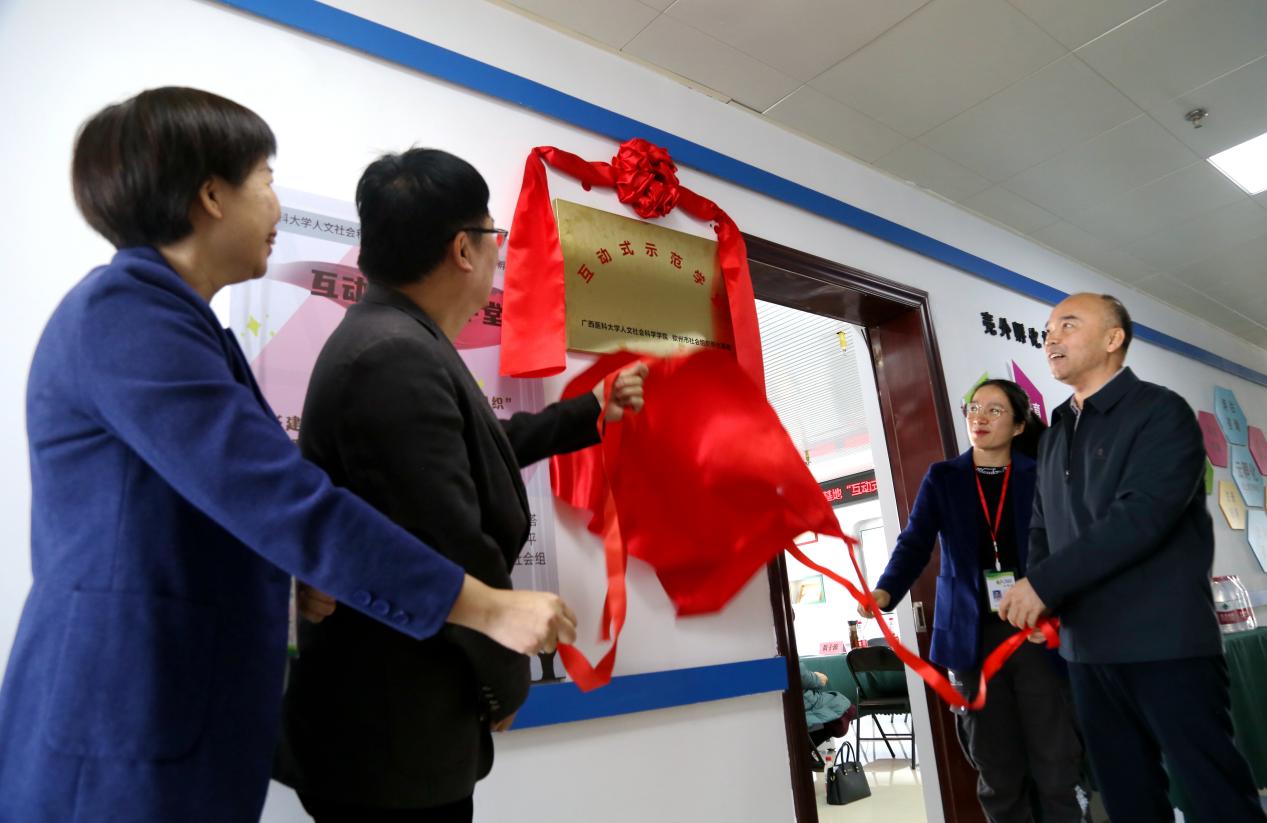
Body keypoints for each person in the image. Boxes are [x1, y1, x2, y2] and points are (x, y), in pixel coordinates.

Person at [0, 88, 578, 823]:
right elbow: (283, 501)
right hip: (120, 721)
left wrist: (291, 576)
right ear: (212, 195)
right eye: (265, 180)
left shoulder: (186, 326)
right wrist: (488, 606)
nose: (274, 205)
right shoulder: (126, 315)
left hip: (175, 717)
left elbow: (225, 505)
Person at [273, 148, 646, 823]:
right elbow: (449, 544)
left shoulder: (396, 338)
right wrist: (505, 679)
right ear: (464, 249)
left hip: (392, 733)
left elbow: (476, 448)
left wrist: (589, 412)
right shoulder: (393, 355)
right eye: (492, 234)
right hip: (387, 739)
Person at [999, 293, 1263, 821]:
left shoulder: (1161, 412)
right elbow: (1042, 526)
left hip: (1164, 643)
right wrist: (1043, 598)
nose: (1050, 338)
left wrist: (1045, 584)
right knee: (1127, 798)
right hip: (1086, 652)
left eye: (1067, 325)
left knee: (1214, 794)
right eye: (1047, 330)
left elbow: (1141, 517)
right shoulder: (1054, 434)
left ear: (1113, 338)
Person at [859, 379, 1084, 822]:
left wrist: (1056, 608)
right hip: (970, 637)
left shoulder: (1040, 474)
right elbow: (915, 542)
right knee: (995, 764)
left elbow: (1067, 546)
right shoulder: (943, 478)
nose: (979, 417)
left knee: (1056, 758)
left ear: (1019, 425)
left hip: (1034, 633)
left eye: (995, 410)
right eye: (974, 407)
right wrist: (885, 591)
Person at [800, 661, 856, 770]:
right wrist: (818, 678)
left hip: (796, 702)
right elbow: (801, 676)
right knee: (846, 709)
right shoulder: (785, 654)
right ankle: (804, 750)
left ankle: (804, 749)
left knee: (840, 710)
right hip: (805, 704)